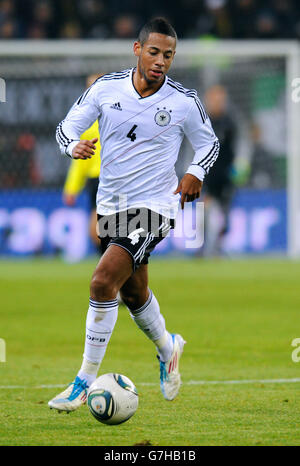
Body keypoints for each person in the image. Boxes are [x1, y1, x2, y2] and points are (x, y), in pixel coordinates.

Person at [49, 17, 220, 412]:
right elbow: (65, 129)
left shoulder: (183, 101)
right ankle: (168, 347)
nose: (161, 61)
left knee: (101, 282)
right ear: (138, 49)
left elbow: (208, 145)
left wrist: (194, 172)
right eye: (155, 52)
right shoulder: (105, 88)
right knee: (132, 291)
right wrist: (72, 147)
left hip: (156, 206)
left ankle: (82, 380)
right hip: (111, 204)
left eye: (169, 55)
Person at [62, 74, 102, 248]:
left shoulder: (123, 114)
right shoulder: (85, 122)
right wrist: (72, 188)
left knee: (106, 226)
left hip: (123, 175)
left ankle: (114, 263)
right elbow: (80, 160)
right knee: (98, 228)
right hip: (98, 178)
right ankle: (111, 263)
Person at [202, 85, 237, 256]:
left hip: (225, 177)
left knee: (225, 218)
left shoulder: (230, 123)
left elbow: (236, 151)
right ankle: (203, 249)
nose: (217, 103)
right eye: (214, 99)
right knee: (205, 214)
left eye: (220, 99)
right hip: (206, 177)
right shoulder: (202, 122)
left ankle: (218, 247)